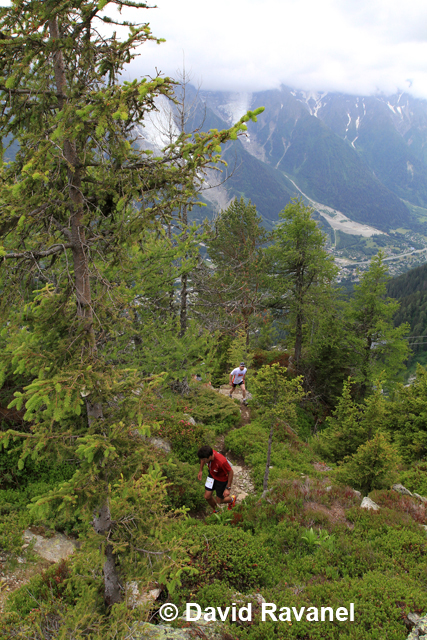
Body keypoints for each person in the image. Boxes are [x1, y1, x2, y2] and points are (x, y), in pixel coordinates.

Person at [197, 445, 236, 513]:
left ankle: (232, 499)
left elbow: (231, 472)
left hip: (221, 480)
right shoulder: (207, 454)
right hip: (212, 476)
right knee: (207, 496)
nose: (203, 461)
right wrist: (200, 470)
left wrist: (228, 488)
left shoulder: (221, 461)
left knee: (219, 500)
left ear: (209, 457)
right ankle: (217, 510)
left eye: (204, 459)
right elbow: (202, 459)